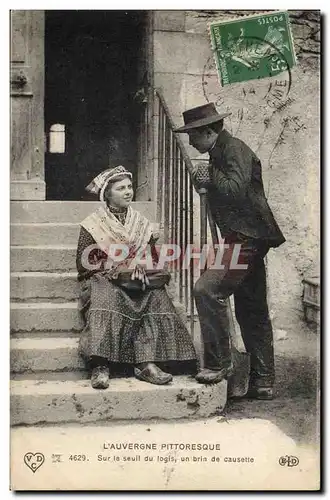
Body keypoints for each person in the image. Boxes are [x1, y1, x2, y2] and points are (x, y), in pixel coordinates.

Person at [175, 103, 285, 400]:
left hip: (247, 237)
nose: (190, 142)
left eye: (192, 136)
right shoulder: (220, 152)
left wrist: (208, 176)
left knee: (206, 289)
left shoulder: (233, 148)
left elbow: (235, 189)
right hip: (245, 236)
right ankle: (263, 381)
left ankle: (219, 363)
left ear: (208, 132)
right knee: (252, 307)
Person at [76, 165, 197, 389]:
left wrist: (141, 264)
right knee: (106, 296)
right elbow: (85, 262)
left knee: (155, 295)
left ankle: (145, 363)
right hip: (106, 277)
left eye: (130, 187)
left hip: (135, 278)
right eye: (121, 188)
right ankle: (101, 364)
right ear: (108, 194)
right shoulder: (93, 224)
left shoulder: (141, 223)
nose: (128, 192)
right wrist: (116, 267)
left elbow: (153, 258)